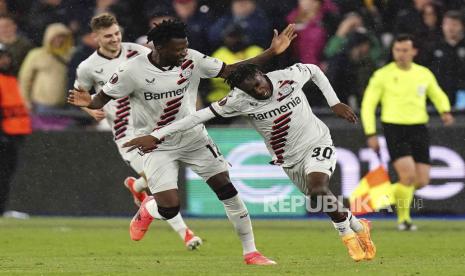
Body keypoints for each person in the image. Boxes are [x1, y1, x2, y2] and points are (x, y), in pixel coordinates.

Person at [68, 19, 296, 265]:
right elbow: (100, 100)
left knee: (227, 190)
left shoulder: (192, 59)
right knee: (170, 208)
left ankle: (251, 252)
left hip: (194, 138)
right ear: (159, 47)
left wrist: (271, 52)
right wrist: (88, 102)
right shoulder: (132, 70)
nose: (183, 52)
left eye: (185, 46)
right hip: (156, 144)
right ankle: (148, 208)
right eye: (178, 49)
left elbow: (232, 70)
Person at [123, 62, 376, 262]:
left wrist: (334, 102)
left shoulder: (287, 76)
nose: (260, 90)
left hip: (317, 142)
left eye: (258, 83)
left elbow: (314, 70)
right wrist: (156, 135)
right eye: (252, 90)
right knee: (317, 198)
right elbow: (196, 117)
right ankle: (357, 224)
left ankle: (347, 236)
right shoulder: (237, 100)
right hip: (288, 159)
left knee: (320, 187)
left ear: (261, 74)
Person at [72, 13, 201, 250]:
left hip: (152, 126)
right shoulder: (88, 67)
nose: (114, 39)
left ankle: (137, 186)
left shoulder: (137, 52)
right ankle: (186, 234)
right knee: (161, 184)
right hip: (125, 133)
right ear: (96, 37)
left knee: (165, 174)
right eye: (108, 36)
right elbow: (79, 95)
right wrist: (91, 111)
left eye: (117, 33)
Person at [361, 34, 454, 231]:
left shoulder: (423, 73)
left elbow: (436, 94)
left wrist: (444, 111)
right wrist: (370, 133)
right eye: (397, 50)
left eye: (405, 50)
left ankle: (377, 196)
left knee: (421, 181)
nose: (401, 54)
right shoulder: (382, 75)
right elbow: (368, 105)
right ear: (393, 51)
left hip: (419, 128)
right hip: (395, 128)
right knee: (408, 176)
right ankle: (404, 220)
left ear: (414, 51)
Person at [18, 22, 74, 130]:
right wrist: (25, 101)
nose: (59, 40)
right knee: (43, 138)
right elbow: (24, 80)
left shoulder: (71, 54)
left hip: (65, 105)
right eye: (56, 37)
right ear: (49, 37)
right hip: (41, 105)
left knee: (62, 139)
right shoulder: (36, 54)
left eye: (63, 37)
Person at [0, 44, 31, 217]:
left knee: (6, 176)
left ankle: (2, 210)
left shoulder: (10, 79)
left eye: (5, 56)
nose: (4, 60)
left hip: (13, 136)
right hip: (4, 135)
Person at [422, 10, 465, 107]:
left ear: (462, 26)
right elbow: (424, 70)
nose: (450, 28)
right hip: (438, 94)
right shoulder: (433, 47)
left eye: (454, 24)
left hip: (462, 94)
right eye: (447, 24)